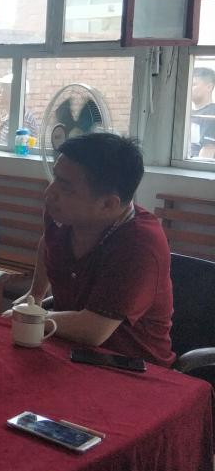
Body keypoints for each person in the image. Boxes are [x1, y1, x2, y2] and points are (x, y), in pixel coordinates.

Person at [20, 133, 174, 367]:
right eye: (55, 177)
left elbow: (93, 330)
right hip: (65, 349)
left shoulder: (140, 244)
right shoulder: (60, 211)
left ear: (108, 204)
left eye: (65, 186)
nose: (49, 193)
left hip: (128, 368)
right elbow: (48, 241)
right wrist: (36, 293)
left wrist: (30, 317)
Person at [0, 72, 39, 144]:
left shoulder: (23, 121)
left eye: (3, 88)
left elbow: (19, 149)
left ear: (13, 93)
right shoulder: (10, 116)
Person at [189, 66, 215, 159]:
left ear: (209, 87)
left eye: (194, 84)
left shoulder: (212, 114)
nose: (189, 88)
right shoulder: (188, 112)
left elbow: (208, 151)